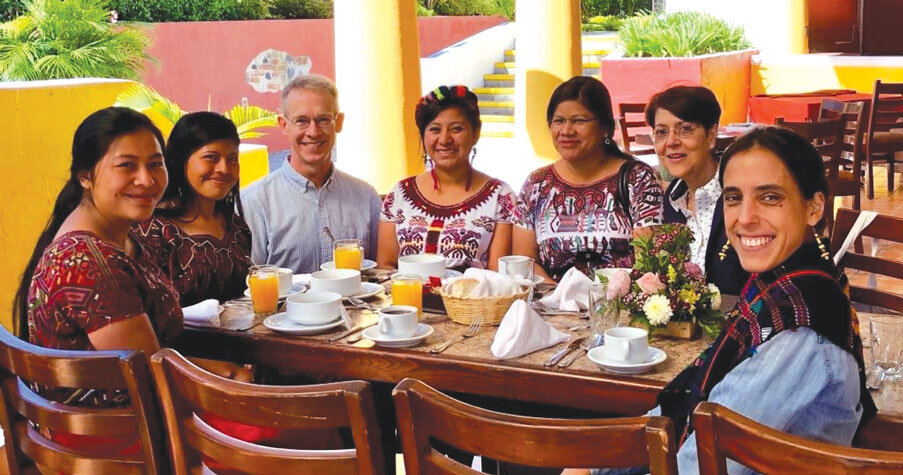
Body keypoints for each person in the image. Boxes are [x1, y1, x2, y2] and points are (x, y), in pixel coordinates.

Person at [566, 127, 876, 475]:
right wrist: (593, 466)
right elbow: (681, 413)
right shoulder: (779, 287)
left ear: (813, 208)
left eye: (770, 197)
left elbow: (698, 461)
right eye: (733, 197)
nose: (745, 218)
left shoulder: (801, 329)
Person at [13, 107, 181, 453]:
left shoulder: (120, 237)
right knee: (305, 433)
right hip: (113, 438)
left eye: (155, 163)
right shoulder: (88, 263)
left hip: (133, 421)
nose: (147, 180)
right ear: (85, 176)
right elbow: (153, 375)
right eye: (127, 165)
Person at [513, 76, 664, 281]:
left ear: (605, 127)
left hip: (619, 306)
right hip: (553, 306)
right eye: (559, 121)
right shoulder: (536, 184)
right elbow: (524, 263)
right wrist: (563, 299)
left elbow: (648, 263)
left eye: (579, 121)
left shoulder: (638, 179)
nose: (566, 131)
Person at [241, 74, 381, 273]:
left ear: (339, 122)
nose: (313, 132)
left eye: (323, 120)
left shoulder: (366, 197)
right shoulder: (255, 203)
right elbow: (250, 286)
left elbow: (380, 275)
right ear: (283, 125)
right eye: (301, 121)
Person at [377, 85, 516, 271]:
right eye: (435, 129)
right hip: (406, 299)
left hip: (473, 299)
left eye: (456, 129)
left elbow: (497, 276)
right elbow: (386, 266)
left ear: (476, 133)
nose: (444, 139)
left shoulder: (501, 197)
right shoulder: (399, 195)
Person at [133, 111, 252, 305]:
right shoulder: (154, 231)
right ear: (181, 161)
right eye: (211, 157)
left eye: (232, 159)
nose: (224, 168)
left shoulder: (236, 227)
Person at [646, 86, 747, 295]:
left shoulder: (740, 196)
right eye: (662, 132)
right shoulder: (673, 200)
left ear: (711, 136)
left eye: (685, 129)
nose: (672, 142)